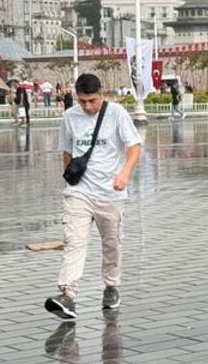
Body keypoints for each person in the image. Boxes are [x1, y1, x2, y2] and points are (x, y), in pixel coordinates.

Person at [45, 74, 143, 320]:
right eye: (82, 101)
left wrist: (124, 174)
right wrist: (70, 178)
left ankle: (111, 287)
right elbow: (66, 151)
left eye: (92, 101)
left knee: (112, 243)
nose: (87, 106)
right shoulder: (69, 117)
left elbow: (134, 146)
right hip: (80, 193)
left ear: (102, 94)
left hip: (111, 192)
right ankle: (67, 294)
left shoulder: (117, 113)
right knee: (74, 241)